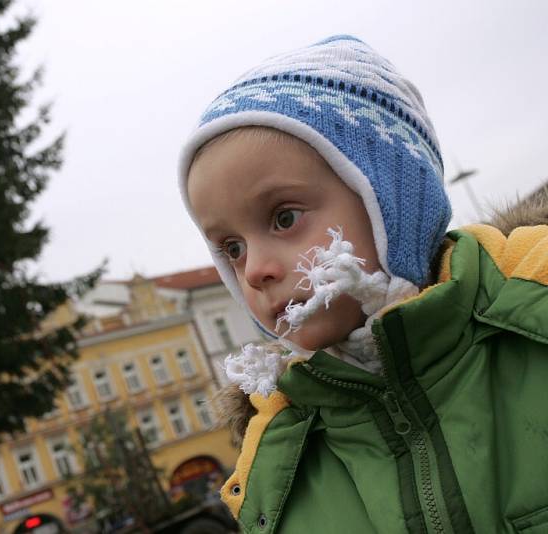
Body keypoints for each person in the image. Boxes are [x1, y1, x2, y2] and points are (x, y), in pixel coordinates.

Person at [177, 35, 548, 533]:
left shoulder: (533, 317)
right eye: (232, 247)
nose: (255, 269)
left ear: (393, 203)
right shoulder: (282, 461)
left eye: (284, 217)